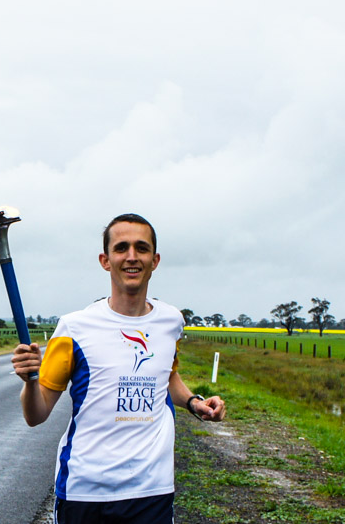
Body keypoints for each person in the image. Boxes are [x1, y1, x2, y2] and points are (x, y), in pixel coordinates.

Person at [11, 213, 226, 524]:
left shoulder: (171, 322)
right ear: (105, 260)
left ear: (155, 260)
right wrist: (30, 381)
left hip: (152, 490)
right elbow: (36, 414)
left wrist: (195, 403)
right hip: (85, 492)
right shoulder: (74, 328)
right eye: (121, 248)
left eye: (141, 248)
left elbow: (167, 375)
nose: (131, 257)